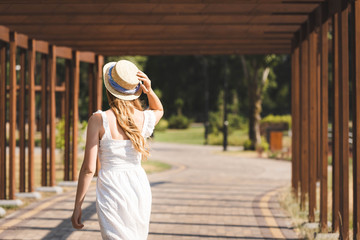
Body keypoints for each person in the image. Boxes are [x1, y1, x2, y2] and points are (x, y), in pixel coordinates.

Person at [71, 60, 164, 239]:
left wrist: (77, 206)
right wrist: (149, 90)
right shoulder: (144, 119)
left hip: (111, 187)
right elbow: (158, 109)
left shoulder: (99, 119)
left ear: (109, 89)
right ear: (135, 90)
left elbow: (89, 169)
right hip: (138, 185)